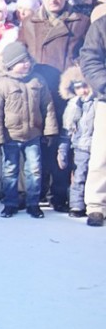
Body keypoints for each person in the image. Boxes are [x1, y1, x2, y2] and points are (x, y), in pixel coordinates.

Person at [19, 0, 90, 213]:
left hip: (66, 95)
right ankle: (35, 191)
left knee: (63, 144)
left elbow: (87, 56)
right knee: (36, 143)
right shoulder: (29, 23)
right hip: (37, 92)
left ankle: (59, 194)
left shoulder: (80, 22)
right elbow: (19, 54)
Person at [0, 42, 59, 218]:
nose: (26, 63)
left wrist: (50, 130)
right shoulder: (1, 83)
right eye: (21, 61)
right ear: (11, 64)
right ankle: (10, 203)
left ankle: (33, 203)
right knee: (10, 170)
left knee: (34, 170)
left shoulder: (37, 80)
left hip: (33, 135)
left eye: (27, 59)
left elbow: (48, 106)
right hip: (10, 136)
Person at [79, 0, 106, 226]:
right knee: (101, 155)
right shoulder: (101, 26)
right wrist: (104, 84)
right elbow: (89, 58)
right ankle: (96, 204)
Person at [57, 66, 96, 218]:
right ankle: (76, 205)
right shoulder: (73, 105)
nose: (83, 91)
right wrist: (62, 151)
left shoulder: (97, 102)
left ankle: (94, 204)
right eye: (78, 88)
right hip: (80, 146)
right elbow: (66, 130)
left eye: (85, 86)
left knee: (95, 176)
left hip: (96, 144)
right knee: (79, 175)